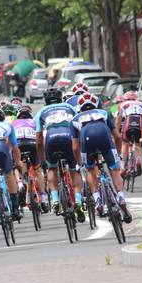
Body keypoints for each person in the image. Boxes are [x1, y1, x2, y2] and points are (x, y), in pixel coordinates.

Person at [71, 92, 131, 222]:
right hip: (104, 135)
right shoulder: (104, 113)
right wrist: (118, 155)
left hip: (87, 138)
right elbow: (118, 137)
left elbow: (75, 147)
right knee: (114, 171)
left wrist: (81, 163)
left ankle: (98, 199)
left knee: (91, 171)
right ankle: (120, 196)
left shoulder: (75, 119)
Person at [35, 87, 85, 222]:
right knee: (74, 170)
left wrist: (42, 159)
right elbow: (79, 127)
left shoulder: (41, 112)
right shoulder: (69, 107)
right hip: (68, 138)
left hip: (51, 140)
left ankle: (56, 199)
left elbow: (39, 140)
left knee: (52, 168)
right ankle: (79, 201)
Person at [12, 105, 49, 212]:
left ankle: (20, 183)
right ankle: (43, 198)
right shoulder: (34, 122)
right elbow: (42, 138)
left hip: (19, 144)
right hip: (32, 144)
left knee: (17, 164)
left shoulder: (13, 123)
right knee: (37, 169)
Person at [115, 91, 142, 176]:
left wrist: (116, 132)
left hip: (128, 123)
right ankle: (138, 159)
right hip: (139, 123)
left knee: (125, 144)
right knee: (137, 144)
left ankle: (123, 167)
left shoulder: (122, 104)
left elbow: (118, 120)